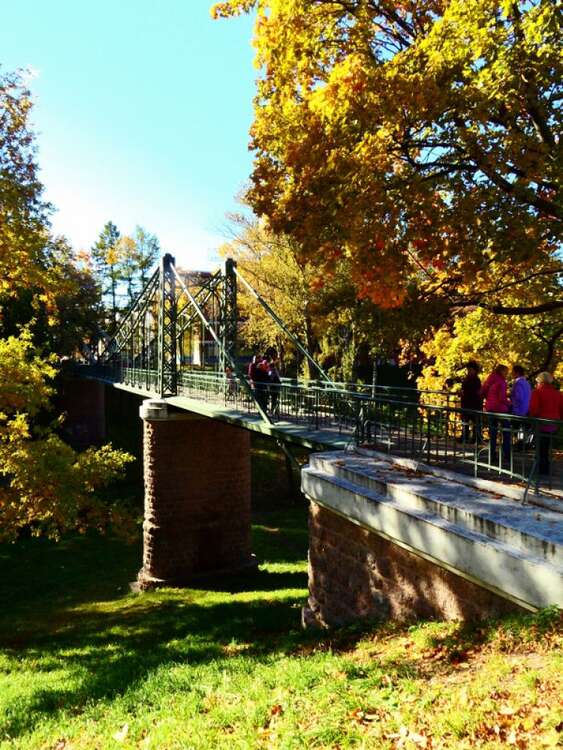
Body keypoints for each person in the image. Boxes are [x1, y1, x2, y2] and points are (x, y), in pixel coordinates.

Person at [528, 372, 563, 475]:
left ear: (539, 381)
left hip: (541, 423)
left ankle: (540, 470)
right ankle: (546, 469)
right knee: (547, 446)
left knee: (540, 447)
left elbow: (534, 409)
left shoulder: (537, 392)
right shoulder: (557, 393)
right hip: (553, 424)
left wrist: (532, 418)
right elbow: (561, 409)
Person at [480, 364, 511, 461]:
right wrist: (510, 404)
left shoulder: (490, 379)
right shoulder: (501, 382)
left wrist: (489, 401)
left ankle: (492, 455)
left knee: (493, 433)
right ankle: (506, 456)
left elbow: (484, 392)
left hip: (490, 408)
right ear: (501, 371)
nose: (507, 374)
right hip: (500, 410)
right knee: (506, 432)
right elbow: (502, 398)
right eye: (506, 372)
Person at [460, 361, 482, 443]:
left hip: (473, 404)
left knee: (474, 421)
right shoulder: (468, 378)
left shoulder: (476, 380)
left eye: (470, 369)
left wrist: (464, 392)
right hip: (467, 403)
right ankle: (466, 436)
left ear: (475, 370)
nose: (469, 371)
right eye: (468, 369)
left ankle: (475, 438)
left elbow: (474, 391)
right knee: (466, 421)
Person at [265, 347, 282, 419]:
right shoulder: (273, 369)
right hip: (275, 385)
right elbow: (277, 377)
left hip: (273, 385)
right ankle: (275, 411)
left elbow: (270, 377)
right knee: (274, 398)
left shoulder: (271, 369)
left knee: (273, 398)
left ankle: (273, 411)